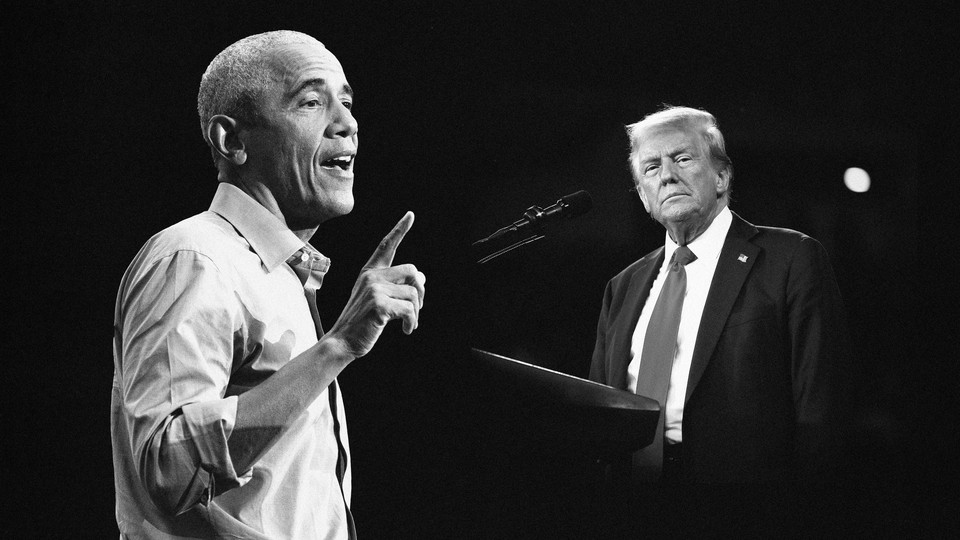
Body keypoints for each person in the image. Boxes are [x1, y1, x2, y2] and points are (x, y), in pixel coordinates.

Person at [111, 30, 425, 539]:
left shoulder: (281, 276)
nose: (348, 124)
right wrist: (337, 347)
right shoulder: (195, 258)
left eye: (345, 102)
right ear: (231, 140)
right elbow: (168, 470)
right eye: (311, 102)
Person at [589, 106, 850, 534]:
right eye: (651, 167)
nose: (667, 175)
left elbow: (820, 404)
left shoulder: (790, 259)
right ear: (642, 196)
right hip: (634, 505)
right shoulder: (623, 286)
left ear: (723, 177)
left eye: (683, 158)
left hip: (746, 509)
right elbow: (600, 410)